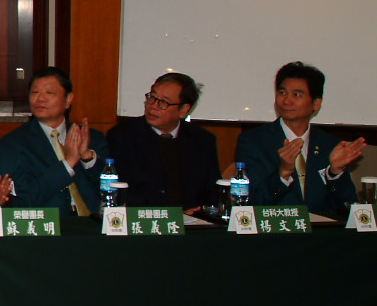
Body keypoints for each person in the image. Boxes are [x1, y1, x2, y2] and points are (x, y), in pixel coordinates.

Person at [234, 61, 365, 217]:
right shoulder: (253, 141)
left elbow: (347, 207)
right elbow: (248, 203)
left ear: (316, 103)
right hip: (275, 229)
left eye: (296, 95)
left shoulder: (330, 145)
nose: (286, 101)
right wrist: (283, 173)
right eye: (282, 93)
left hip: (319, 231)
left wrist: (335, 172)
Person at [1, 66, 109, 216]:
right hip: (50, 224)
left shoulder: (91, 137)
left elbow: (111, 189)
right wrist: (67, 164)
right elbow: (26, 196)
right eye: (35, 92)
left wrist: (87, 157)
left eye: (49, 93)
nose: (40, 99)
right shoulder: (14, 143)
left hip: (94, 222)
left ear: (68, 99)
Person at [105, 73, 220, 210]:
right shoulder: (123, 136)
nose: (153, 106)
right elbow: (120, 190)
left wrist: (200, 211)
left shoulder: (202, 140)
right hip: (143, 218)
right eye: (152, 97)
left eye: (163, 102)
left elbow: (213, 191)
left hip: (191, 220)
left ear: (183, 110)